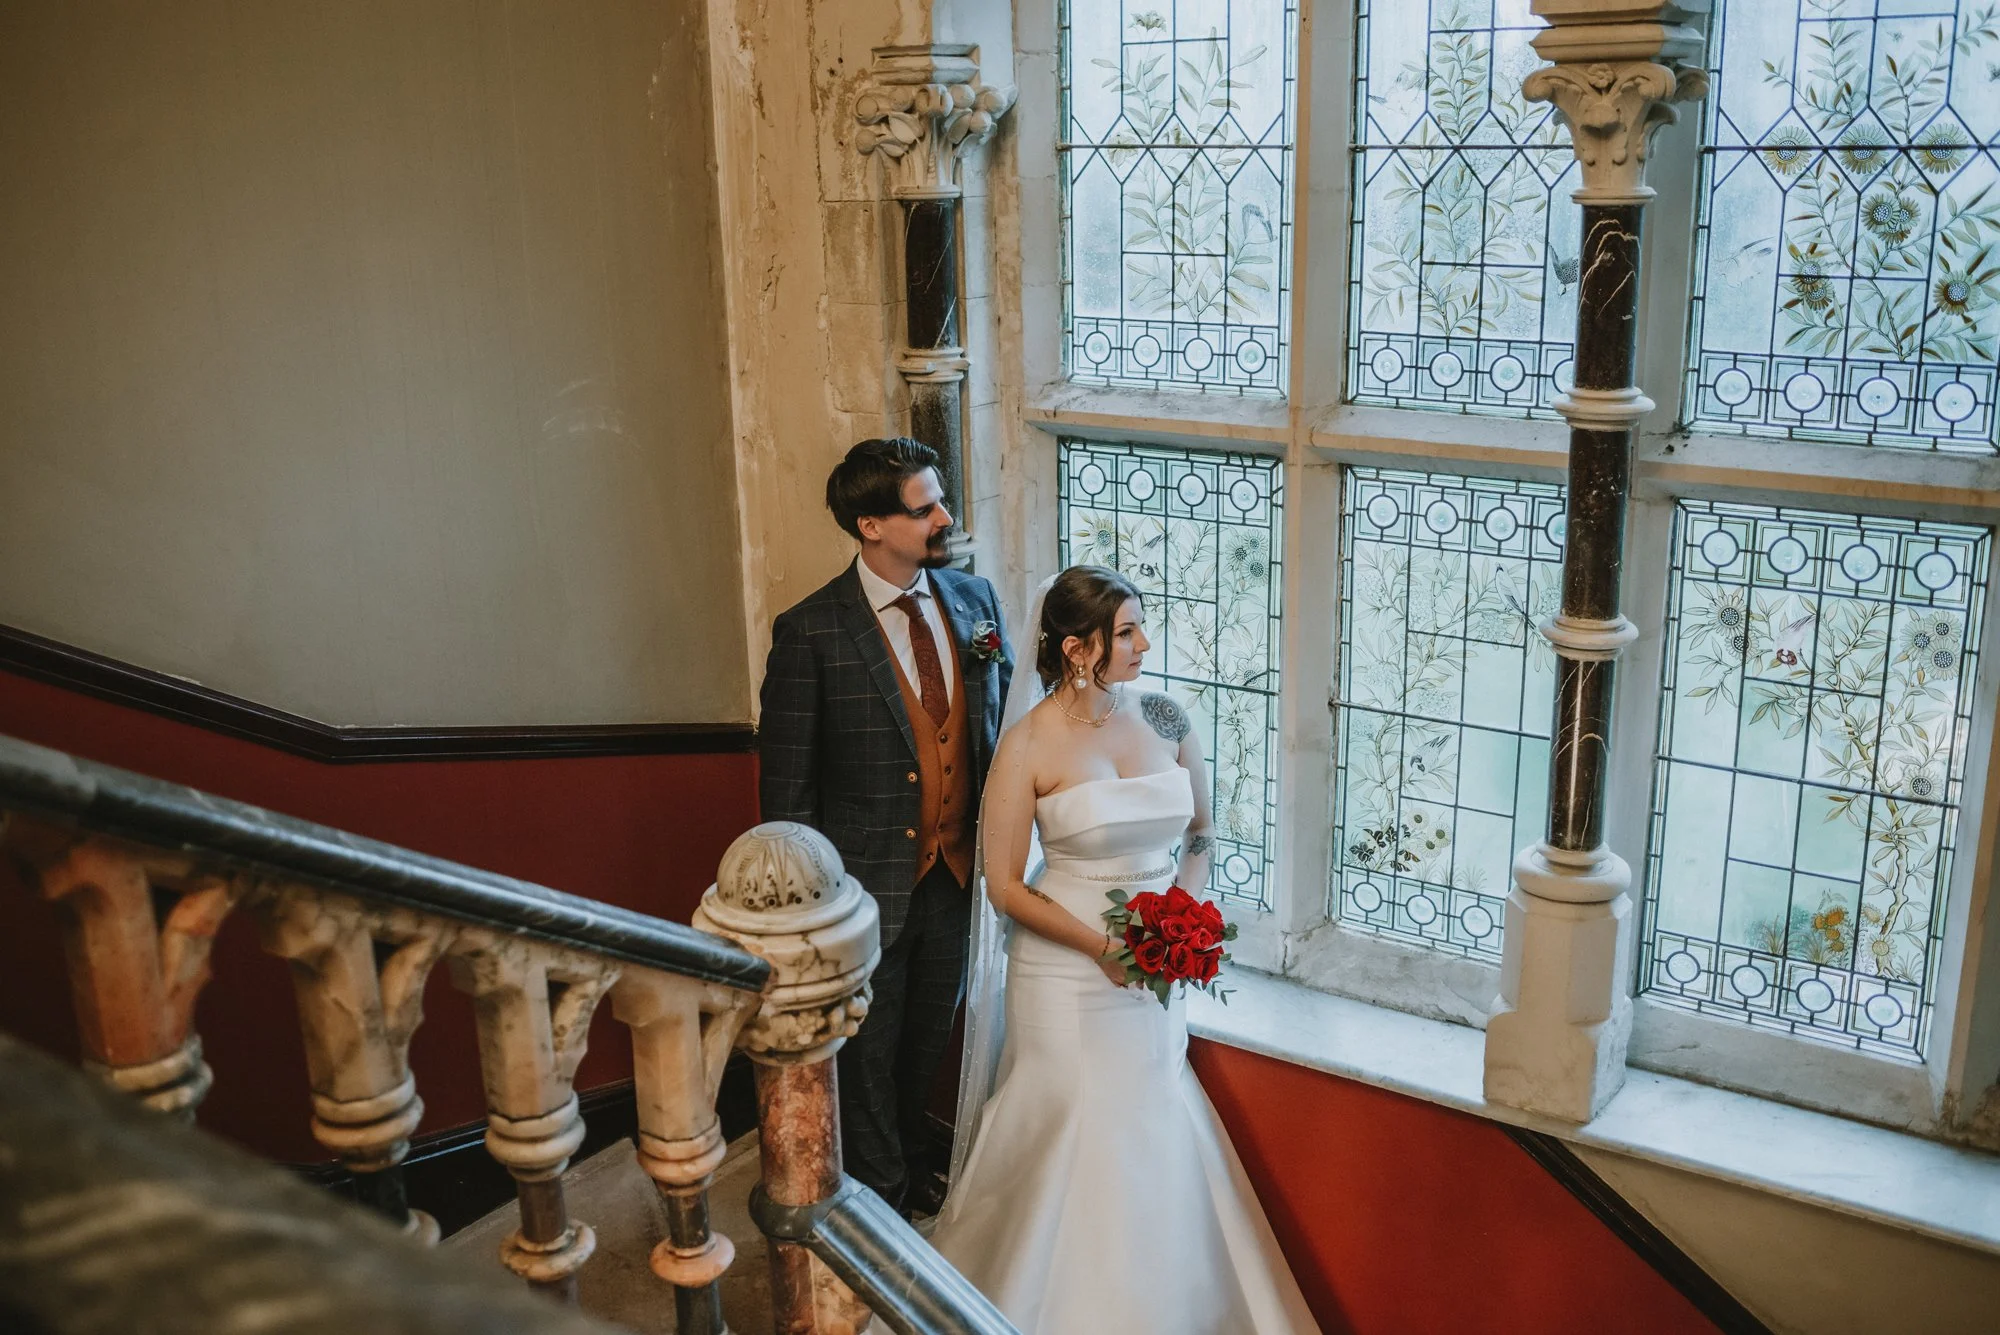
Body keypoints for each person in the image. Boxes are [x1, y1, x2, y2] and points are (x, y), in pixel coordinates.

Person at [928, 565, 1319, 1334]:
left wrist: (1187, 910)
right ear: (1077, 649)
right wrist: (1103, 945)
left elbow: (1201, 831)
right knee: (1075, 1118)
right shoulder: (1027, 744)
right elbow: (1004, 885)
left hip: (1155, 973)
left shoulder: (1169, 715)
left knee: (1150, 1121)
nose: (1146, 643)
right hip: (1066, 972)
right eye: (1127, 632)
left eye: (1141, 625)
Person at [758, 437, 1012, 1216]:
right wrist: (811, 922)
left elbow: (994, 733)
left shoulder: (975, 603)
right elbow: (787, 798)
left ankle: (906, 1159)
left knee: (928, 1038)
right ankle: (881, 1200)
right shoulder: (812, 632)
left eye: (939, 499)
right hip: (862, 893)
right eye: (923, 507)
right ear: (871, 525)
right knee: (867, 1052)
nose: (944, 516)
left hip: (957, 877)